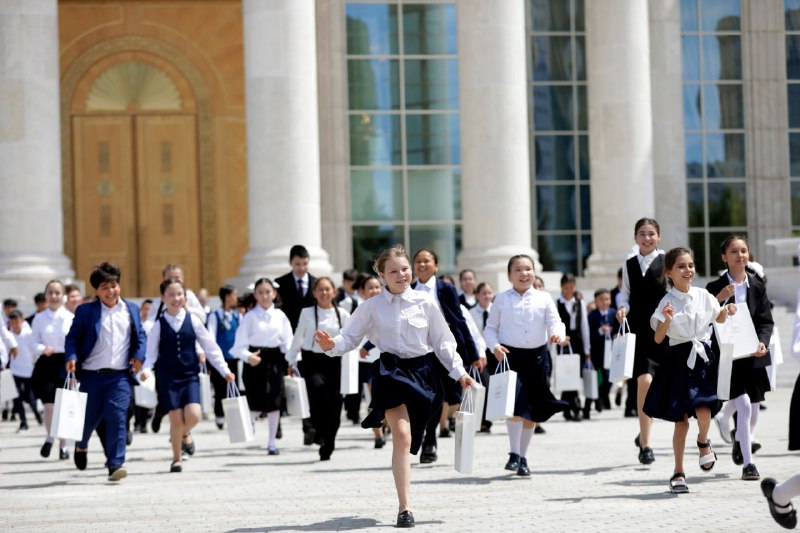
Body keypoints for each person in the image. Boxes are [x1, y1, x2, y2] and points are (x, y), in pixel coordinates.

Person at [315, 245, 472, 528]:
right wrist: (331, 346)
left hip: (423, 373)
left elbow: (443, 342)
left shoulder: (426, 303)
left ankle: (421, 457)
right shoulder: (370, 307)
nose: (402, 275)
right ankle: (405, 507)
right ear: (381, 274)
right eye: (394, 271)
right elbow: (349, 338)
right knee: (402, 437)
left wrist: (459, 372)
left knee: (418, 434)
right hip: (390, 373)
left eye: (405, 269)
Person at [644, 247, 736, 494]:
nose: (688, 270)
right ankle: (678, 471)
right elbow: (658, 338)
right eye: (681, 266)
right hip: (677, 361)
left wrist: (726, 311)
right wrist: (666, 319)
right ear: (669, 273)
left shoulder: (703, 295)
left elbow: (717, 318)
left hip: (702, 359)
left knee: (705, 409)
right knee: (681, 422)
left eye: (691, 265)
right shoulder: (667, 301)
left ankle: (704, 441)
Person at [483, 254, 568, 477]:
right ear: (510, 275)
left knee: (532, 410)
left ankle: (523, 457)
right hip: (511, 357)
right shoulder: (501, 299)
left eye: (528, 269)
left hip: (538, 358)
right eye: (518, 270)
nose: (524, 274)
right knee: (515, 407)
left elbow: (555, 322)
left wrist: (557, 334)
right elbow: (490, 328)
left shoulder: (544, 297)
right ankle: (513, 453)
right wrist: (495, 347)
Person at [140, 278, 235, 472]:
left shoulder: (193, 320)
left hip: (189, 375)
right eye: (171, 295)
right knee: (175, 418)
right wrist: (145, 371)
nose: (176, 298)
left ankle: (181, 435)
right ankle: (176, 459)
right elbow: (150, 354)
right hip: (168, 377)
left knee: (194, 415)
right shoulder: (158, 325)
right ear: (162, 298)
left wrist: (224, 370)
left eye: (179, 294)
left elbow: (210, 347)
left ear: (185, 296)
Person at [65, 262, 147, 482]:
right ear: (96, 291)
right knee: (88, 420)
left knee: (117, 418)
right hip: (92, 375)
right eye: (105, 288)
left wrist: (139, 356)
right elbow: (72, 338)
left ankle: (115, 464)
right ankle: (81, 445)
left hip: (119, 375)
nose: (111, 292)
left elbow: (140, 336)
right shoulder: (86, 311)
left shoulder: (131, 309)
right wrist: (71, 357)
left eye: (114, 286)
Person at [706, 236, 773, 480]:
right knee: (743, 404)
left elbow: (766, 320)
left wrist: (763, 342)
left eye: (744, 250)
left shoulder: (757, 286)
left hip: (754, 356)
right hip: (729, 357)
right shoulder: (714, 287)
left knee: (753, 410)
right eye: (734, 251)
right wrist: (721, 298)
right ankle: (749, 464)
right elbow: (705, 318)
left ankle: (732, 430)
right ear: (725, 257)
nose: (740, 255)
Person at [412, 249, 481, 463]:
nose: (422, 265)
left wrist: (472, 353)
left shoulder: (446, 289)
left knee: (438, 397)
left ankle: (429, 440)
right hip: (417, 351)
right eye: (418, 261)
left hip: (442, 350)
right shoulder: (408, 289)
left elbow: (459, 320)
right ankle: (424, 437)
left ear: (436, 265)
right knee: (420, 397)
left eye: (426, 261)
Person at [616, 218, 667, 465]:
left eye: (651, 234)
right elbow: (624, 295)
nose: (647, 238)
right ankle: (646, 446)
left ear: (659, 237)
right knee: (644, 381)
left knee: (660, 388)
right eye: (642, 234)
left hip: (663, 330)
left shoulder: (668, 261)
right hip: (638, 330)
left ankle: (643, 431)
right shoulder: (628, 264)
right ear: (635, 237)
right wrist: (622, 309)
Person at [286, 277, 351, 461]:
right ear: (314, 293)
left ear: (334, 292)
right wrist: (291, 361)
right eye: (320, 290)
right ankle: (318, 432)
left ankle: (328, 441)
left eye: (327, 289)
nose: (324, 293)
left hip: (335, 362)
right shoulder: (306, 313)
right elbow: (298, 338)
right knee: (318, 396)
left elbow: (350, 338)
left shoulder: (343, 314)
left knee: (336, 404)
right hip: (312, 361)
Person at [230, 278, 292, 455]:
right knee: (256, 403)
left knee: (275, 401)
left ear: (274, 293)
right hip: (254, 361)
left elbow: (288, 342)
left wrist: (292, 360)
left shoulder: (280, 316)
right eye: (260, 292)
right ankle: (250, 423)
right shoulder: (249, 317)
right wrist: (248, 356)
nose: (265, 296)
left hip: (275, 361)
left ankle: (272, 442)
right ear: (255, 295)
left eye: (268, 292)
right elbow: (238, 346)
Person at [275, 245, 317, 445]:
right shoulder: (280, 284)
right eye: (297, 264)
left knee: (306, 384)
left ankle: (308, 426)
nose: (301, 268)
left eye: (305, 264)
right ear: (291, 263)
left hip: (310, 342)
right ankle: (277, 423)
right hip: (287, 341)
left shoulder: (317, 283)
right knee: (283, 384)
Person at [30, 280, 74, 460]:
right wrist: (42, 349)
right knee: (49, 406)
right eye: (50, 293)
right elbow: (32, 342)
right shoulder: (39, 318)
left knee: (63, 406)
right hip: (46, 363)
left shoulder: (71, 317)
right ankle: (50, 436)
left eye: (57, 293)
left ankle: (63, 446)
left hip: (64, 363)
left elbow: (75, 341)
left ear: (63, 295)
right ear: (46, 295)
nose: (54, 296)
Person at [206, 285, 241, 430]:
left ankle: (233, 417)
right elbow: (211, 337)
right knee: (220, 389)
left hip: (234, 358)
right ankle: (219, 415)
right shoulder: (215, 316)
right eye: (234, 295)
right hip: (220, 360)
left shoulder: (237, 315)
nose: (236, 298)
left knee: (234, 387)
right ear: (227, 297)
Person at [556, 273, 590, 421]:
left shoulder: (579, 303)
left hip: (577, 342)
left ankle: (568, 407)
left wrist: (587, 349)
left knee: (575, 375)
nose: (569, 291)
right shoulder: (557, 303)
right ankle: (574, 406)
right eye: (566, 288)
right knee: (566, 374)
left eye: (571, 287)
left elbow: (584, 326)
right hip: (563, 342)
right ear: (562, 288)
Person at [8, 310, 42, 431]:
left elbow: (35, 349)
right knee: (16, 398)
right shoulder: (9, 335)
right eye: (12, 322)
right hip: (15, 371)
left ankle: (38, 416)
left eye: (17, 321)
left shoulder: (28, 334)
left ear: (22, 321)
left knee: (30, 398)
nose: (15, 324)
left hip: (29, 371)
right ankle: (23, 422)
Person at [469, 281, 495, 432]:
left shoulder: (497, 311)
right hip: (480, 355)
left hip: (495, 354)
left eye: (489, 293)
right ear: (477, 295)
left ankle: (491, 417)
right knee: (484, 385)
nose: (487, 296)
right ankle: (483, 420)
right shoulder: (471, 313)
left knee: (495, 386)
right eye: (483, 293)